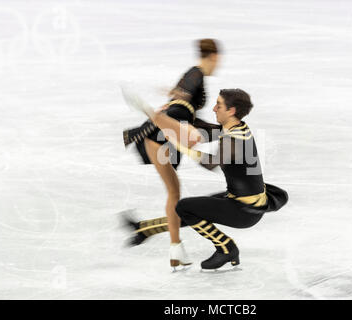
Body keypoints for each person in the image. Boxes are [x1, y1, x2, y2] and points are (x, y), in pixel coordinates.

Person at [121, 87, 288, 270]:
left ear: (231, 111)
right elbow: (207, 130)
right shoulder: (237, 127)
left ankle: (226, 247)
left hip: (244, 211)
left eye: (219, 105)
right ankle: (144, 229)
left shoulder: (234, 141)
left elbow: (208, 163)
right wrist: (172, 120)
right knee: (193, 209)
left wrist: (178, 142)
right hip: (242, 199)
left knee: (185, 207)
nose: (214, 109)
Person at [122, 39, 220, 267]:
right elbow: (183, 97)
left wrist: (221, 130)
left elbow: (184, 96)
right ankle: (157, 118)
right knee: (192, 136)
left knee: (174, 193)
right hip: (172, 121)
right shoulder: (196, 73)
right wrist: (178, 99)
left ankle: (176, 251)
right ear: (214, 56)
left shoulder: (194, 78)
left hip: (159, 137)